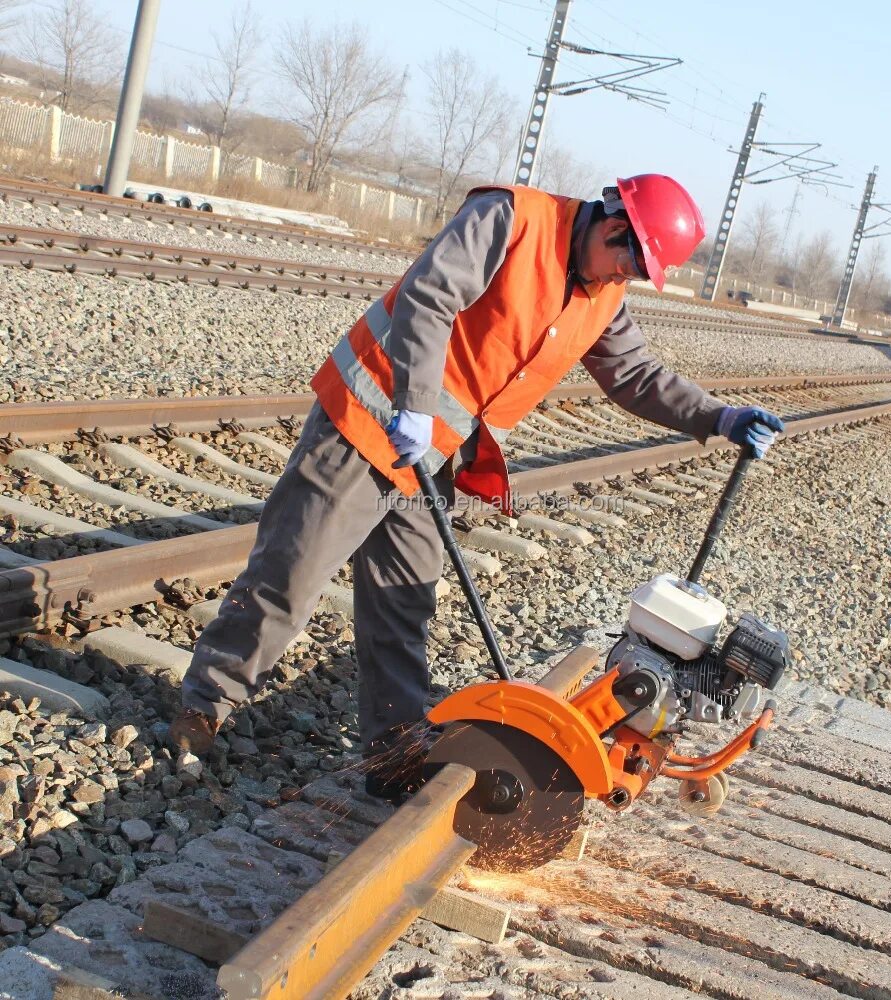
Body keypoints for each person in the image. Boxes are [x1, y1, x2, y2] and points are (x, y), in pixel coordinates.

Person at [169, 174, 785, 800]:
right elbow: (428, 295)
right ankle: (206, 706)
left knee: (402, 604)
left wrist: (719, 417)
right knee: (291, 572)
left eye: (638, 269)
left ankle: (395, 752)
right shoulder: (511, 219)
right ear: (613, 222)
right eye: (629, 258)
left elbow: (635, 374)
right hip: (369, 416)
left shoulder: (603, 293)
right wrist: (410, 403)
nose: (625, 274)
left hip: (428, 454)